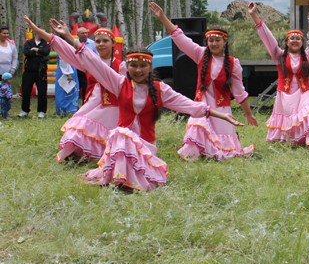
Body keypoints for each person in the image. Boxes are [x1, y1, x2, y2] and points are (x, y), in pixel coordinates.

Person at [31, 20, 243, 191]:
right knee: (121, 134)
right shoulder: (118, 82)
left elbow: (191, 106)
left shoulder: (161, 90)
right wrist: (66, 37)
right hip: (121, 145)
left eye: (143, 66)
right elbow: (89, 60)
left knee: (124, 138)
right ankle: (120, 180)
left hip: (145, 147)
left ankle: (125, 180)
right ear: (128, 67)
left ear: (150, 67)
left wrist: (222, 116)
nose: (138, 70)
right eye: (134, 65)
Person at [149, 1, 258, 161]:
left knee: (224, 152)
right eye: (210, 40)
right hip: (202, 104)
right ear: (206, 42)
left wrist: (249, 115)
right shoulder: (200, 54)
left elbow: (239, 92)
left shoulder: (233, 63)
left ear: (224, 42)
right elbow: (180, 39)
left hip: (222, 107)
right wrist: (163, 18)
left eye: (217, 40)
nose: (213, 43)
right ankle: (195, 153)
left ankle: (214, 152)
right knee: (198, 125)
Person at [24, 16, 127, 161]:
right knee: (79, 127)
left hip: (114, 108)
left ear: (113, 43)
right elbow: (66, 49)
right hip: (94, 104)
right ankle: (74, 155)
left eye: (105, 41)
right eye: (98, 41)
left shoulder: (121, 66)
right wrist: (38, 30)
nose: (101, 44)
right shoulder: (88, 60)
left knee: (104, 135)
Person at [248, 1, 309, 148]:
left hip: (303, 92)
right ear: (287, 42)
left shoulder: (308, 55)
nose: (295, 41)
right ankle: (293, 140)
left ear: (302, 42)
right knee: (289, 119)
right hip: (285, 94)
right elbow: (268, 38)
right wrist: (254, 15)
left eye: (298, 39)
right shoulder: (279, 55)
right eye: (292, 38)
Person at [19, 29, 50, 118]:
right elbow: (26, 52)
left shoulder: (45, 43)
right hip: (29, 70)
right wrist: (39, 52)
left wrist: (36, 50)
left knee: (42, 92)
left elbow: (46, 52)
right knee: (26, 91)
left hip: (41, 71)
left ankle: (41, 111)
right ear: (36, 33)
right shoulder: (29, 43)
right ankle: (24, 110)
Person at [76, 27, 97, 104]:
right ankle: (74, 107)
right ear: (77, 34)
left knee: (86, 88)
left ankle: (85, 104)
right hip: (76, 69)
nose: (85, 35)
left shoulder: (93, 44)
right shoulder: (74, 43)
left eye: (86, 33)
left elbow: (97, 57)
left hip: (88, 70)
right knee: (76, 88)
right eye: (82, 33)